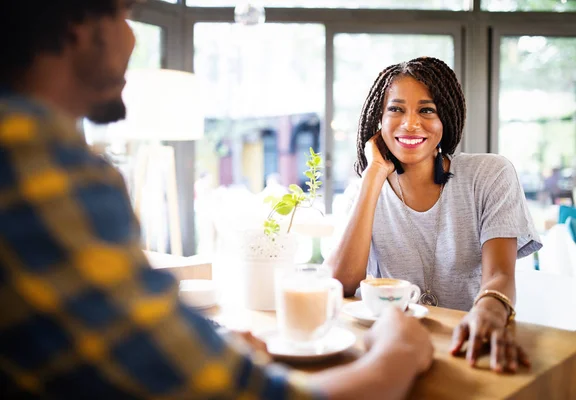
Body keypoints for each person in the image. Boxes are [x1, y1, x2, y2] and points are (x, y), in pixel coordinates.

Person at [0, 1, 433, 399]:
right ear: (80, 26)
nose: (132, 39)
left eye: (426, 109)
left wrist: (199, 348)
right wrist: (398, 353)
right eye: (125, 15)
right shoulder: (39, 164)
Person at [325, 57, 542, 374]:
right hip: (388, 349)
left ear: (446, 119)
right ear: (378, 121)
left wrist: (489, 310)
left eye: (426, 110)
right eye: (396, 110)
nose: (410, 124)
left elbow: (500, 275)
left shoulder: (490, 174)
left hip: (466, 344)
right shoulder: (362, 192)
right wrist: (372, 176)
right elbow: (340, 284)